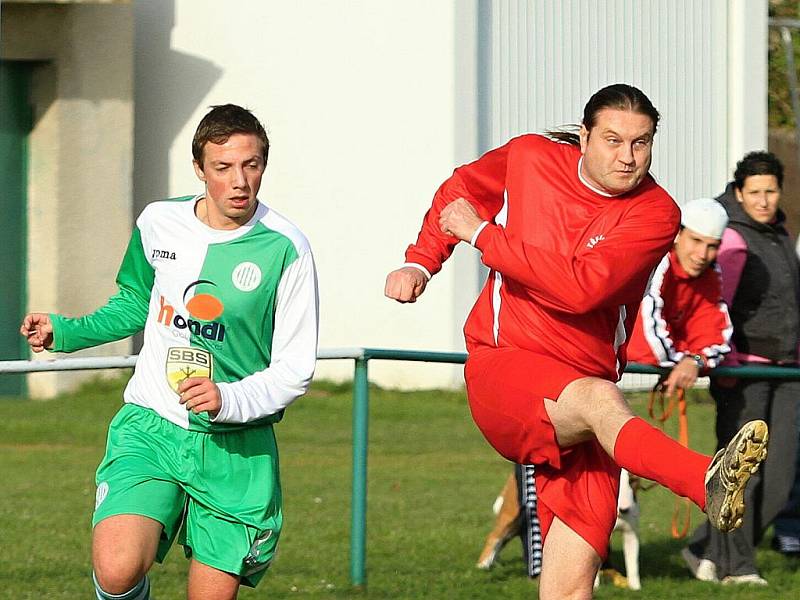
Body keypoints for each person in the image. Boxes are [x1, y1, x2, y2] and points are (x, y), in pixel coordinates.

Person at [384, 84, 768, 599]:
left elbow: (582, 289)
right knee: (602, 400)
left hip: (586, 408)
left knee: (570, 585)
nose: (627, 157)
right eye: (612, 140)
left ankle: (702, 480)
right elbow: (461, 193)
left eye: (641, 143)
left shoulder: (656, 213)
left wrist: (484, 236)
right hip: (507, 371)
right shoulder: (529, 157)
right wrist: (421, 260)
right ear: (584, 136)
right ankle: (703, 478)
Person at [20, 104, 319, 600]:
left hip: (235, 449)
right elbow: (135, 302)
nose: (240, 181)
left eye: (252, 165)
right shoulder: (159, 221)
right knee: (116, 570)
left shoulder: (287, 248)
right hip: (152, 426)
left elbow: (294, 369)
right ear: (200, 169)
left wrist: (227, 399)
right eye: (223, 168)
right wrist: (65, 332)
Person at [684, 151, 800, 585]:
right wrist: (725, 364)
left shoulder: (780, 233)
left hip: (787, 371)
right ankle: (738, 568)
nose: (765, 200)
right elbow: (718, 306)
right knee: (742, 475)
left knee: (780, 478)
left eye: (771, 190)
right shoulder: (731, 240)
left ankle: (702, 549)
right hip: (745, 371)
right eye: (755, 192)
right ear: (739, 192)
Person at [627, 197, 732, 396]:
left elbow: (712, 330)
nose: (702, 254)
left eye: (712, 246)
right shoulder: (656, 264)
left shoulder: (709, 275)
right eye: (696, 240)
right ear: (677, 234)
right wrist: (686, 360)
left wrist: (695, 361)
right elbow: (644, 341)